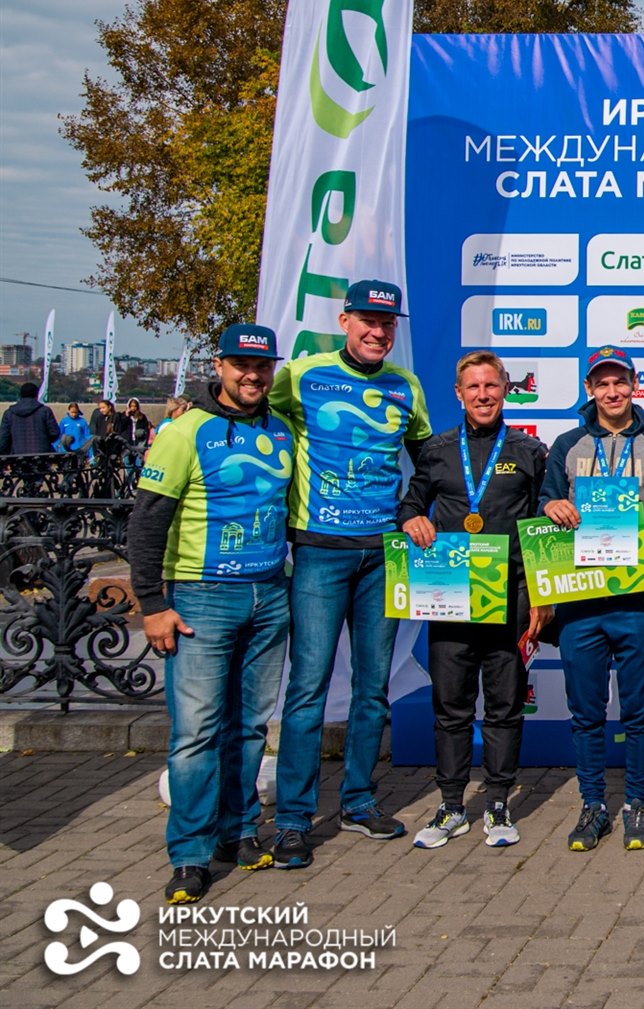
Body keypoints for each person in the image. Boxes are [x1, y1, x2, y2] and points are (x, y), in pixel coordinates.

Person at [270, 280, 433, 868]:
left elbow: (428, 465)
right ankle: (292, 819)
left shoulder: (405, 385)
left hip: (382, 554)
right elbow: (254, 418)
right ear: (345, 322)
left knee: (372, 688)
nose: (377, 332)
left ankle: (359, 802)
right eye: (368, 320)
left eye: (387, 324)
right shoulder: (301, 375)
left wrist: (412, 512)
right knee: (307, 688)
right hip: (318, 552)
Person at [130, 324, 295, 903]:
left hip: (269, 593)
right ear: (219, 366)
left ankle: (238, 831)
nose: (252, 375)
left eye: (262, 366)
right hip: (202, 597)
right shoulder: (184, 431)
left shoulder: (281, 429)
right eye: (241, 365)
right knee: (196, 732)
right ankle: (190, 855)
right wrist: (152, 604)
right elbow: (147, 519)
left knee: (249, 726)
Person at [396, 351, 550, 850]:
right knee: (451, 707)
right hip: (451, 598)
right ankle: (451, 804)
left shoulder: (530, 451)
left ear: (506, 389)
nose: (483, 395)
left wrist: (541, 596)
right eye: (474, 387)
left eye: (492, 386)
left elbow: (541, 525)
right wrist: (411, 518)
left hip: (509, 598)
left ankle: (499, 801)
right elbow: (412, 502)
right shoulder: (438, 449)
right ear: (458, 394)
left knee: (504, 706)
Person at [539, 345, 644, 852]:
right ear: (590, 389)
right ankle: (593, 805)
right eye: (602, 383)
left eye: (620, 381)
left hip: (639, 593)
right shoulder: (567, 444)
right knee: (586, 712)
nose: (612, 391)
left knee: (640, 713)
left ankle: (638, 804)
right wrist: (551, 505)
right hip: (580, 595)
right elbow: (545, 501)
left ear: (634, 384)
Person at [0, 381, 61, 454]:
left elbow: (3, 439)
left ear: (20, 395)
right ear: (36, 395)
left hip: (17, 455)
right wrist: (44, 441)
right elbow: (54, 433)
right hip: (42, 454)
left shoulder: (9, 413)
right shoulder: (45, 411)